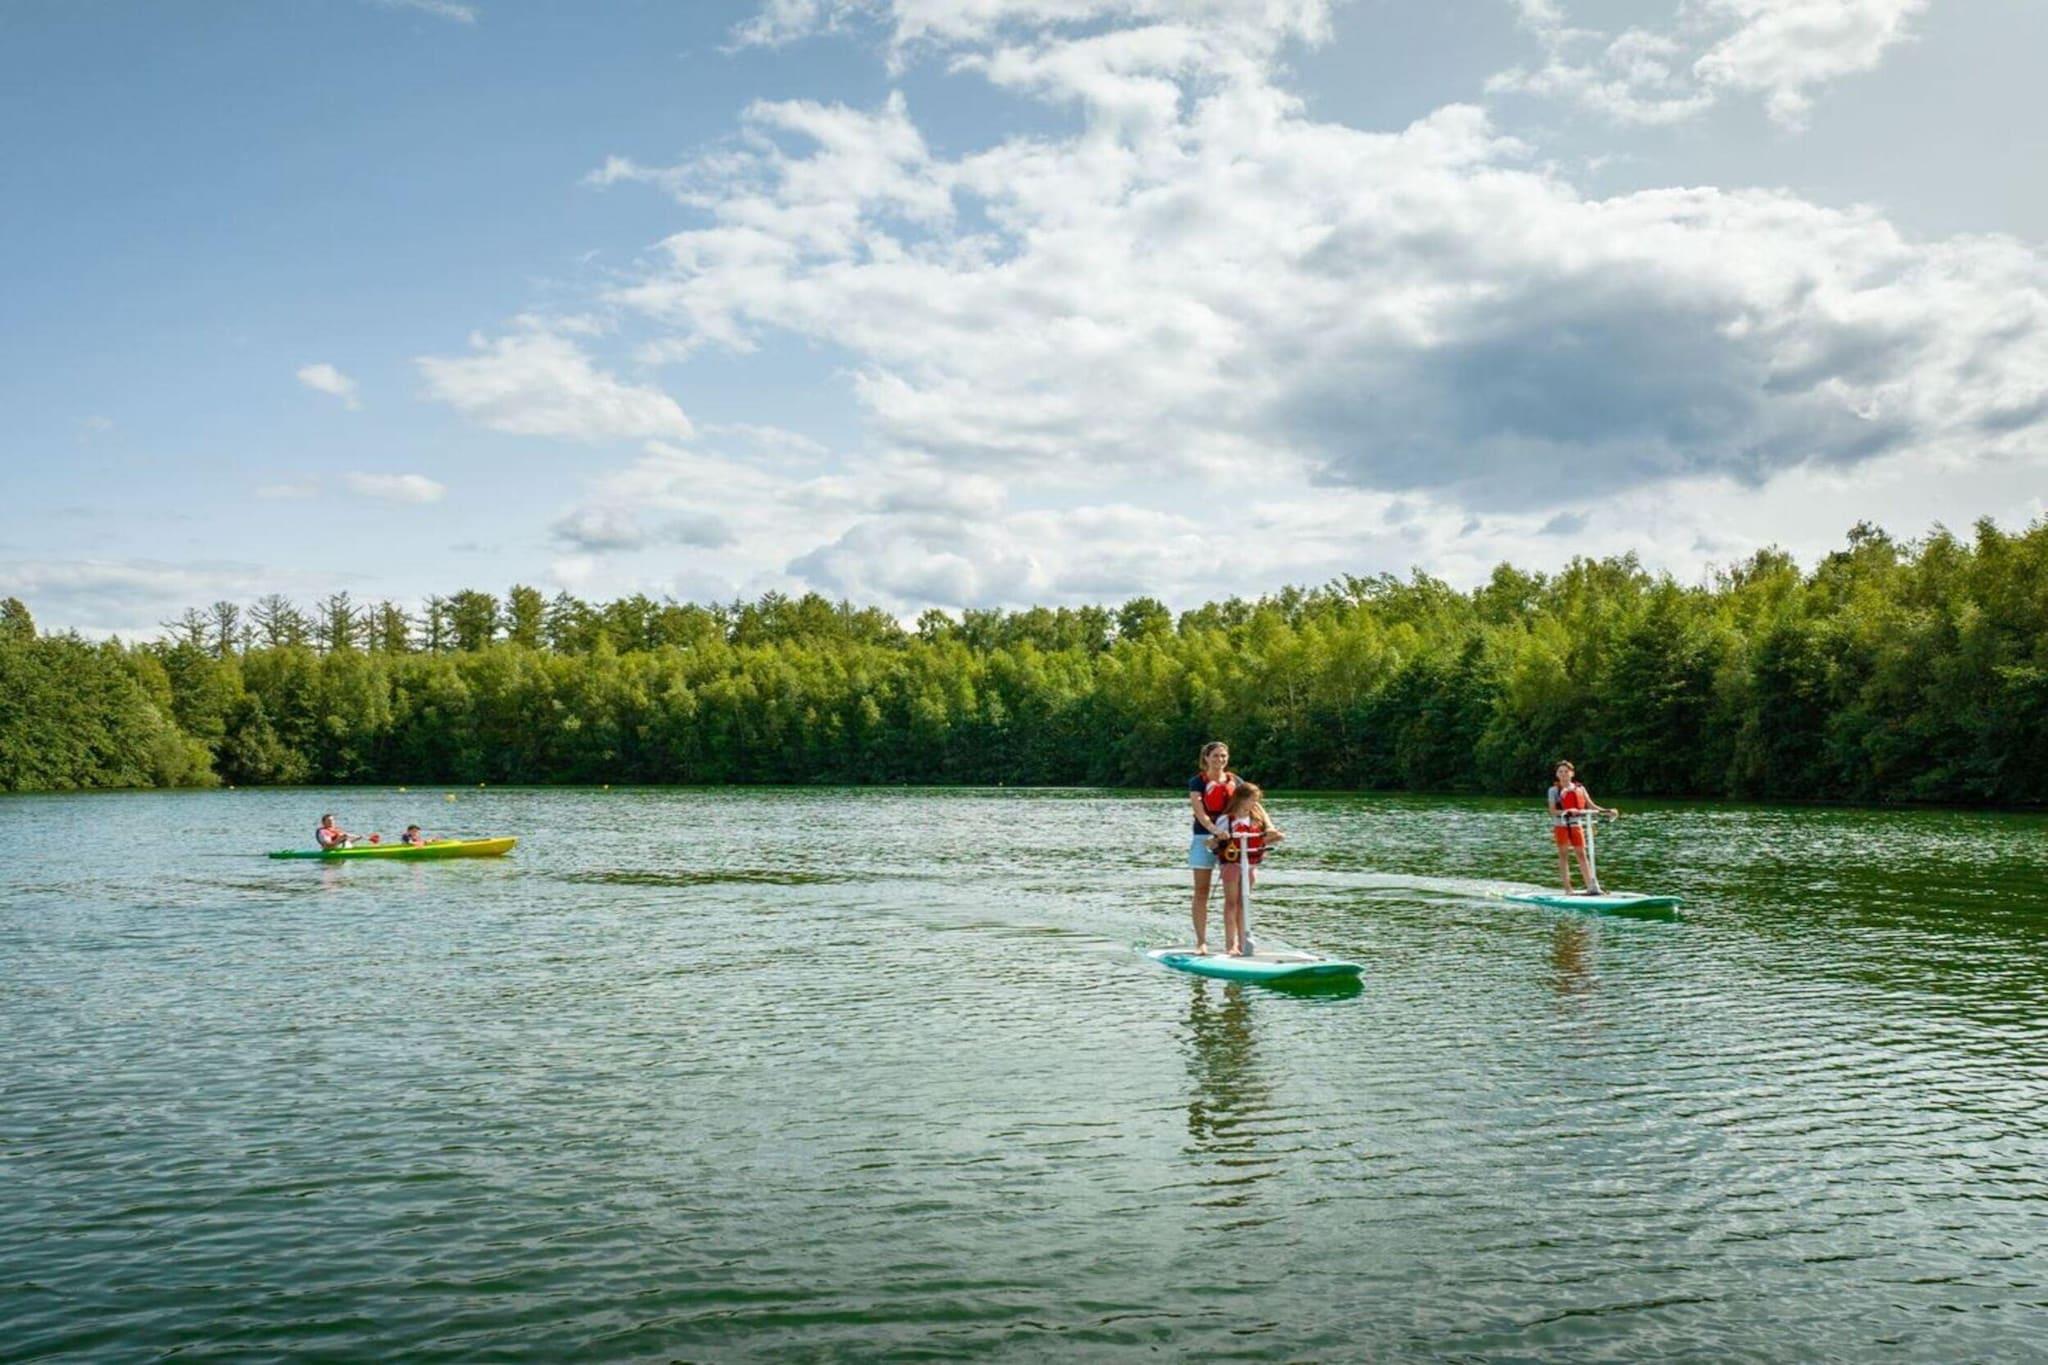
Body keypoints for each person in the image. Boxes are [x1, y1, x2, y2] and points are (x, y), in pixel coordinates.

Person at [1210, 782, 1284, 956]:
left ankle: (1244, 943)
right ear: (1241, 799)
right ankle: (1231, 944)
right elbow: (1213, 842)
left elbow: (1262, 840)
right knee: (1231, 902)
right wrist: (1219, 838)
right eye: (1252, 800)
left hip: (1250, 864)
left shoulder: (1257, 820)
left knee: (1244, 902)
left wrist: (1276, 837)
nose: (1255, 804)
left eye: (1256, 800)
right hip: (1232, 864)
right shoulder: (1226, 820)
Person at [1186, 741, 1239, 955]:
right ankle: (1201, 942)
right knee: (1201, 891)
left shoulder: (1236, 781)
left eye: (1223, 755)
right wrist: (1215, 830)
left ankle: (1232, 944)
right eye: (1215, 755)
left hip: (1231, 840)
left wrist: (1269, 827)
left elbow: (1253, 804)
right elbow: (1200, 812)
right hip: (1204, 837)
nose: (1220, 759)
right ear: (1206, 758)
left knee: (1233, 894)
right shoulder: (1197, 782)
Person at [1548, 760, 1618, 894]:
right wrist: (1567, 811)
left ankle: (1591, 887)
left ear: (1572, 773)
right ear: (1557, 774)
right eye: (1560, 772)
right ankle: (1568, 889)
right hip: (1561, 825)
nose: (1563, 774)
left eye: (1566, 771)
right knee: (1564, 855)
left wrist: (1607, 811)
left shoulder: (1580, 788)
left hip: (1576, 825)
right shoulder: (1553, 790)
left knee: (1582, 854)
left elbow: (1591, 806)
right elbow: (1552, 811)